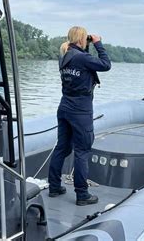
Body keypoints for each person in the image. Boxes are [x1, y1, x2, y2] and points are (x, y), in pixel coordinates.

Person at [48, 26, 111, 206]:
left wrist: (87, 45)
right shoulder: (82, 58)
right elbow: (105, 65)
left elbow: (85, 64)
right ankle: (82, 195)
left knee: (62, 147)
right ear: (82, 39)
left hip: (65, 107)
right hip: (80, 110)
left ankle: (54, 186)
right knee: (82, 151)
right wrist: (98, 43)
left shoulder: (65, 56)